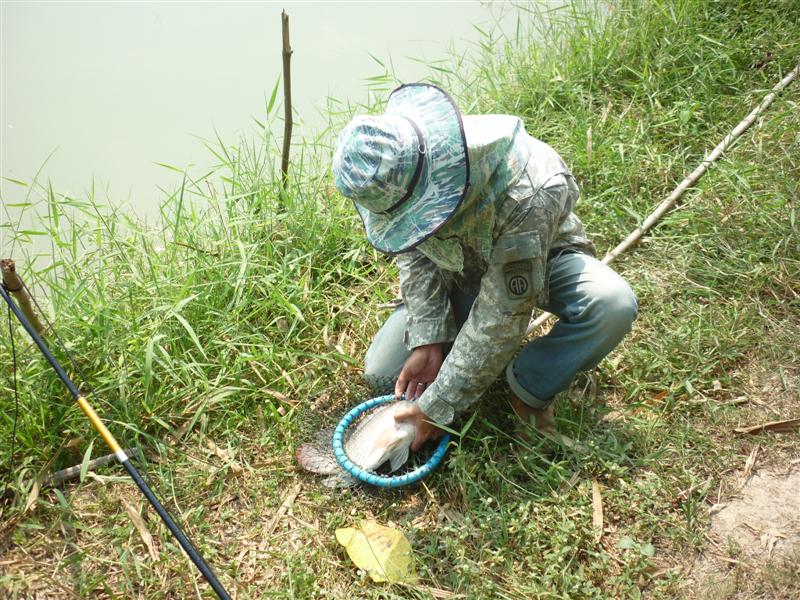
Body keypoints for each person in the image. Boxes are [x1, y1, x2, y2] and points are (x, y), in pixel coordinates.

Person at [332, 83, 637, 452]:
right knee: (380, 372)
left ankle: (530, 385)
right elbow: (412, 249)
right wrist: (429, 336)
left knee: (611, 305)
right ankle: (450, 346)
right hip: (459, 269)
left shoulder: (528, 187)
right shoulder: (398, 173)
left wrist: (434, 409)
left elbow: (502, 317)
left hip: (540, 258)